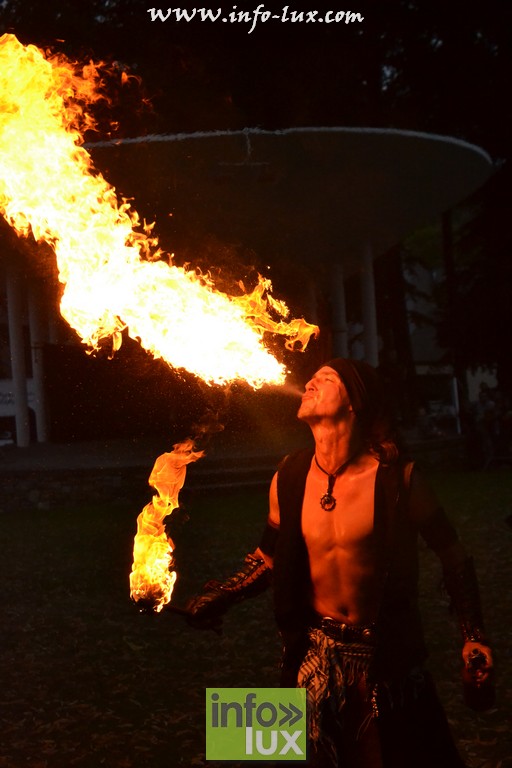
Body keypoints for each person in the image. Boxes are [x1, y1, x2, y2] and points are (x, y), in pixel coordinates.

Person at [188, 358, 494, 767]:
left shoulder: (399, 480)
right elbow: (269, 557)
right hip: (312, 656)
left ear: (354, 404)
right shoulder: (289, 474)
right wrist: (222, 594)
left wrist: (473, 634)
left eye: (326, 379)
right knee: (265, 748)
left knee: (405, 757)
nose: (310, 383)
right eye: (311, 378)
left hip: (388, 663)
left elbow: (454, 557)